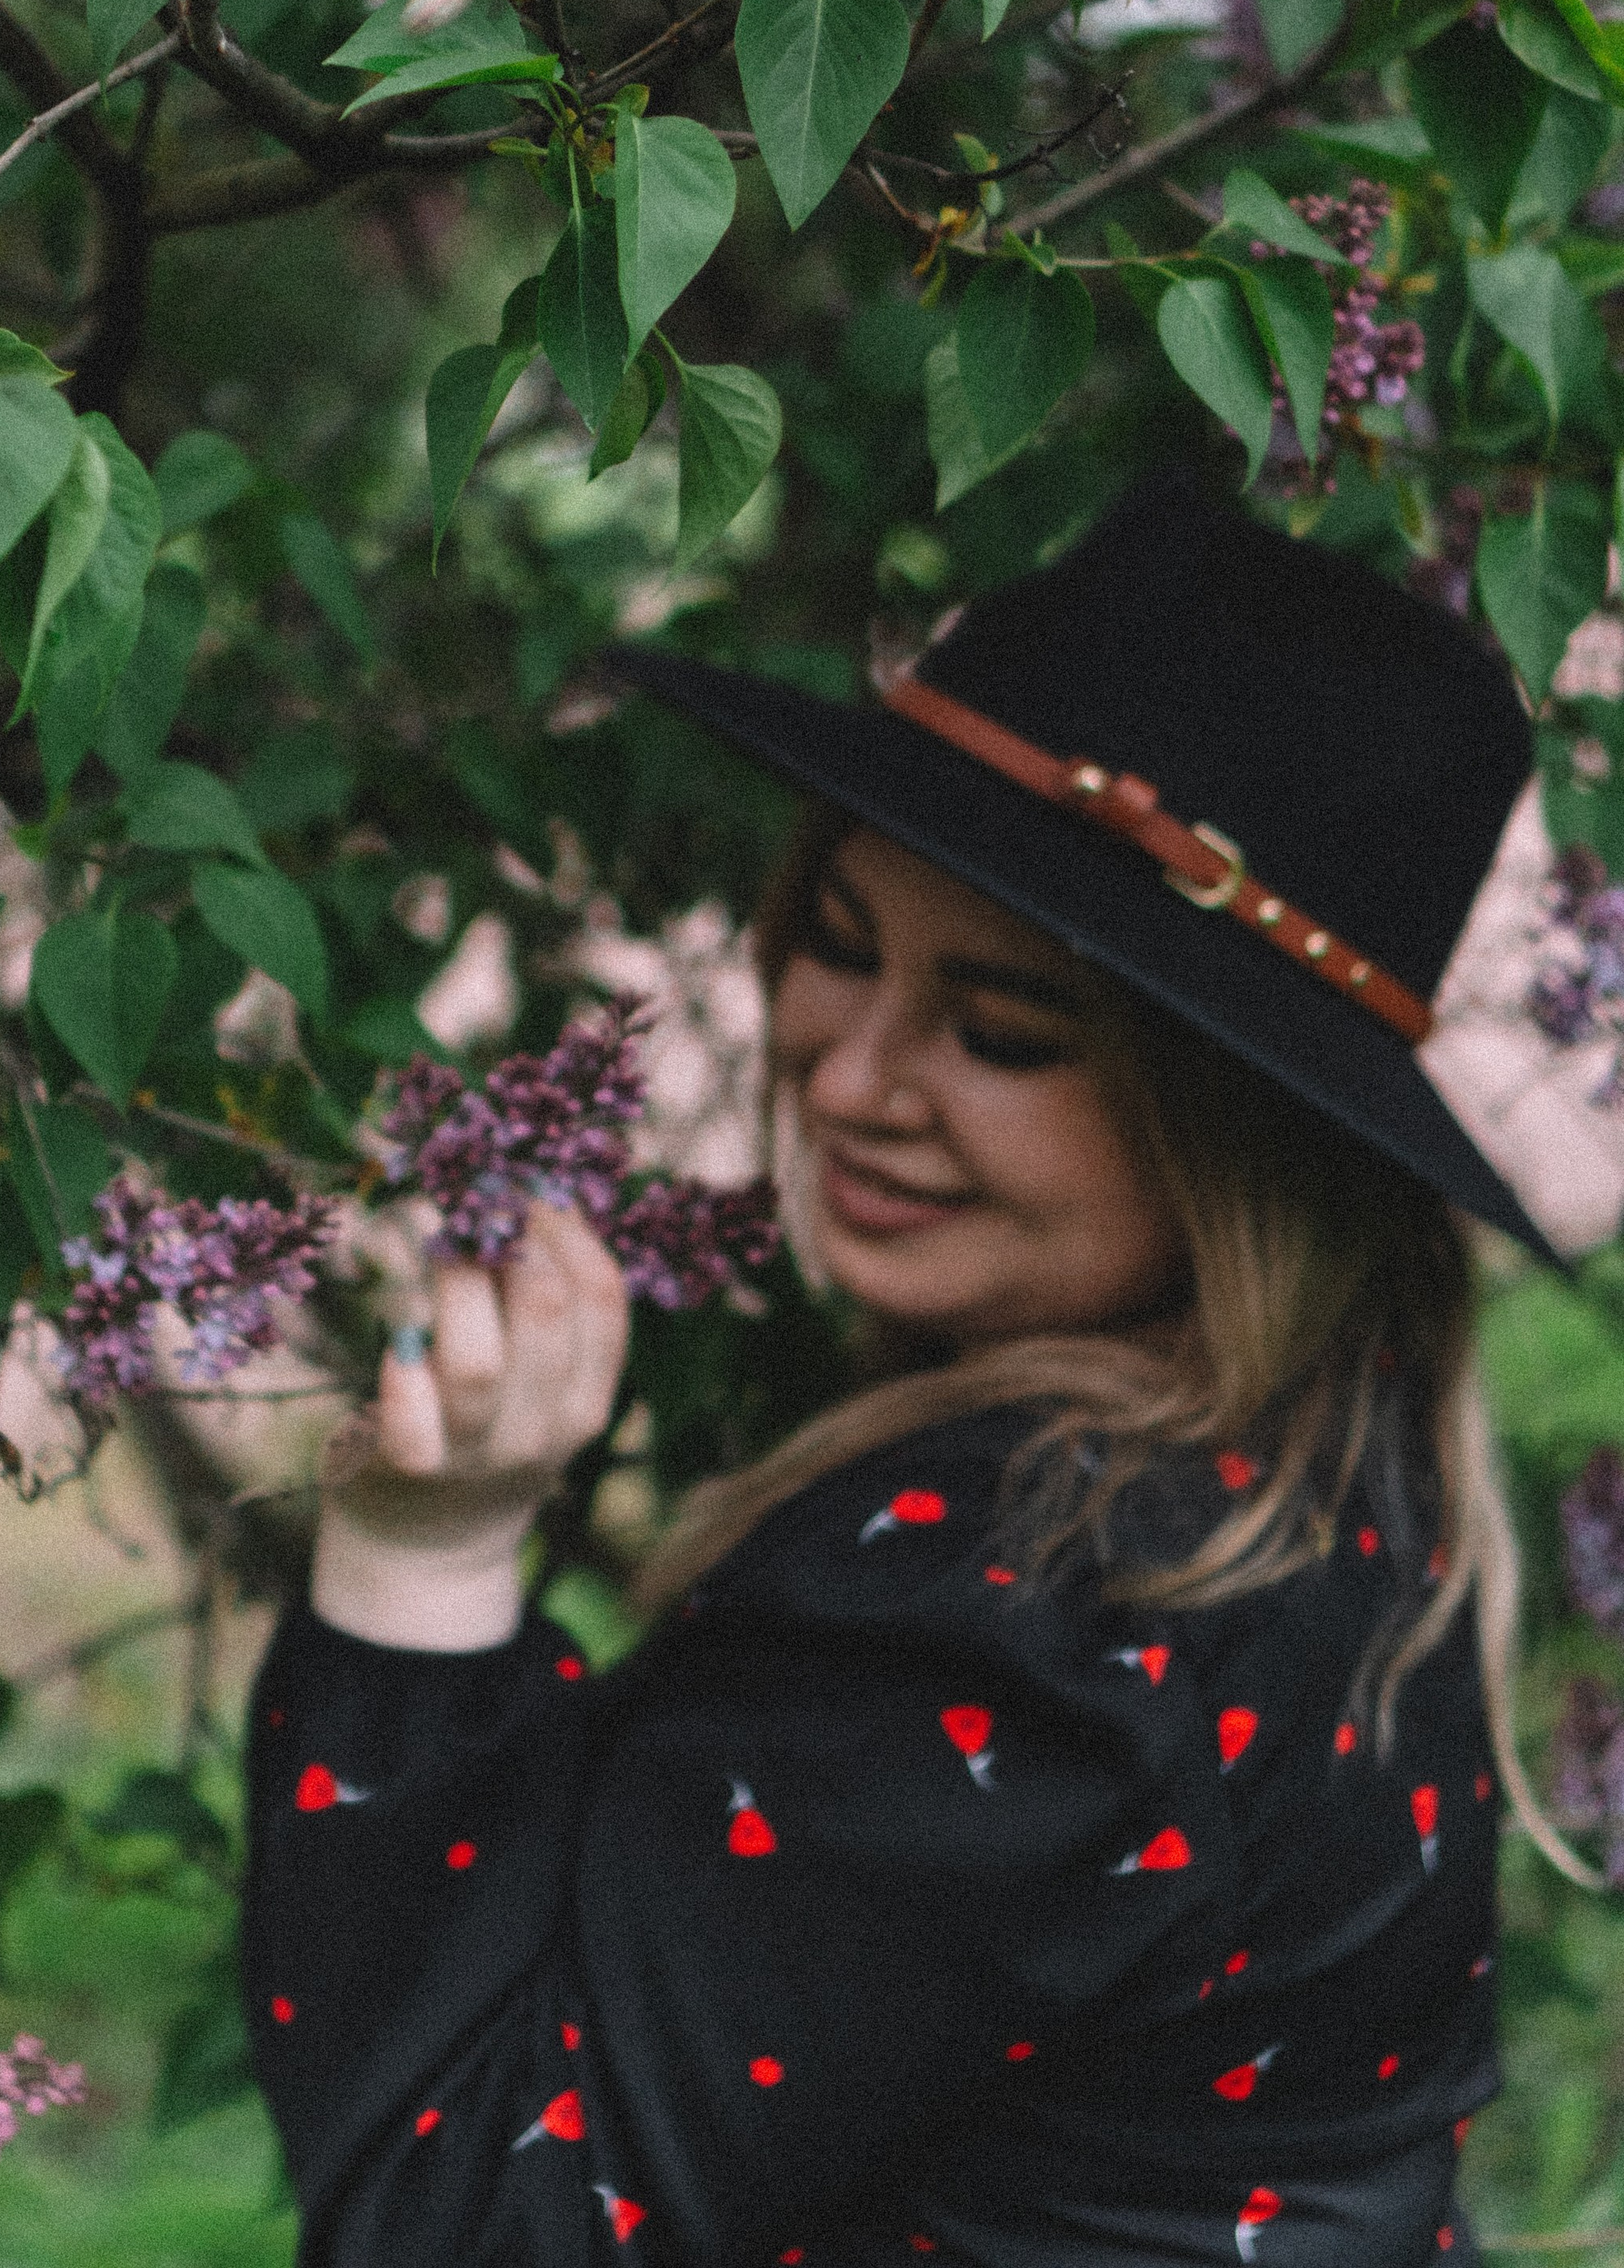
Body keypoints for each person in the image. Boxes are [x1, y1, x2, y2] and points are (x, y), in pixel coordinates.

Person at [242, 466, 1589, 2268]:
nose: (851, 1076)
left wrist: (420, 1560)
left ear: (1240, 1130)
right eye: (838, 943)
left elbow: (467, 2223)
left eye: (1003, 1032)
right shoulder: (1316, 1463)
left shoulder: (1036, 1602)